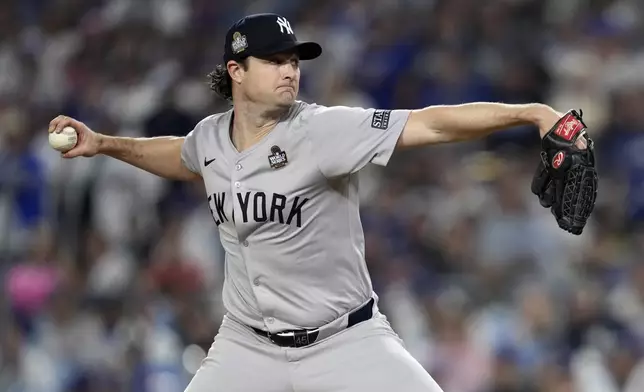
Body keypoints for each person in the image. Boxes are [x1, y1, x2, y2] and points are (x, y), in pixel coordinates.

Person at [48, 12, 575, 392]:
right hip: (245, 346)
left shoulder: (324, 129)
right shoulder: (209, 137)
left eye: (294, 60)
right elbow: (183, 158)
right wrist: (106, 144)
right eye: (274, 60)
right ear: (236, 71)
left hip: (346, 342)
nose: (290, 70)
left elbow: (429, 121)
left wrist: (529, 112)